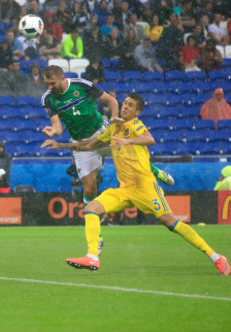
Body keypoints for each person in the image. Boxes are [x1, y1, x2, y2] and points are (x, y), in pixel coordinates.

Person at [42, 93, 230, 275]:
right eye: (125, 103)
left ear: (137, 112)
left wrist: (128, 140)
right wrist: (62, 146)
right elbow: (88, 145)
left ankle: (216, 257)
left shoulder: (136, 125)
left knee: (170, 222)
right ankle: (92, 256)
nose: (125, 106)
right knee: (91, 208)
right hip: (125, 189)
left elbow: (150, 139)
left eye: (131, 105)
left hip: (145, 187)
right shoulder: (112, 128)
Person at [40, 65, 174, 208]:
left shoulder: (80, 85)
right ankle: (93, 221)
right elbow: (58, 129)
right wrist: (53, 131)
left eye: (52, 83)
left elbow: (111, 100)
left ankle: (155, 171)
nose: (50, 87)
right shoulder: (47, 99)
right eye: (47, 84)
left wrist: (114, 116)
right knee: (90, 190)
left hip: (101, 133)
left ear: (62, 78)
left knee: (130, 157)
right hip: (81, 143)